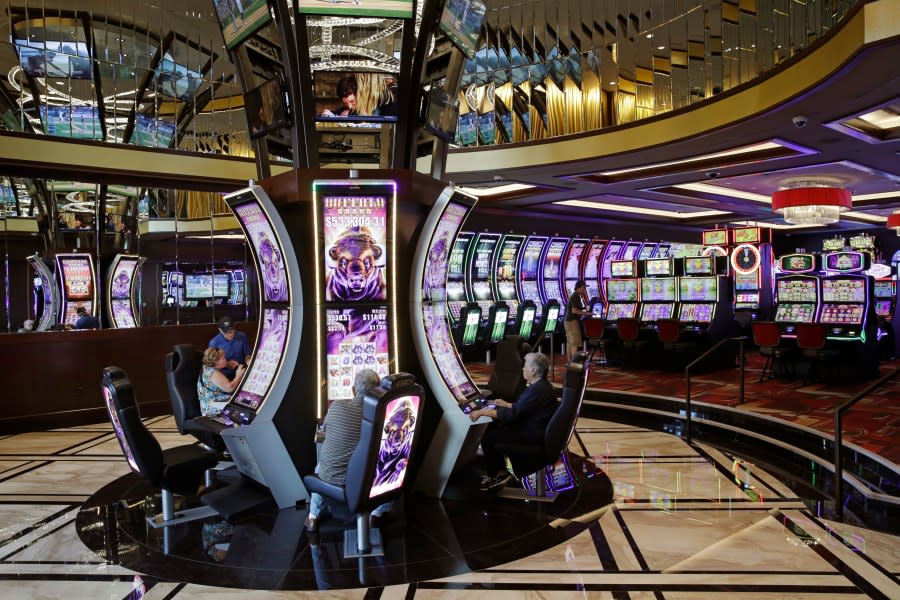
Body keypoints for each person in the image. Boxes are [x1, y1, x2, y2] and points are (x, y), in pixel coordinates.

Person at [305, 368, 381, 532]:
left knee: (320, 466)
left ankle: (313, 517)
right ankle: (375, 515)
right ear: (378, 392)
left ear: (353, 390)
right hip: (364, 481)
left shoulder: (336, 406)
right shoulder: (379, 416)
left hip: (331, 478)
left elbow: (324, 431)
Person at [469, 352, 557, 491]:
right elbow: (524, 408)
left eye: (525, 367)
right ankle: (500, 470)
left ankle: (497, 474)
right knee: (494, 427)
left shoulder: (537, 390)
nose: (522, 369)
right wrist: (507, 404)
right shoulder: (542, 386)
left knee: (488, 437)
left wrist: (483, 412)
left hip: (531, 434)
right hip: (536, 429)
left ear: (533, 371)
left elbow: (512, 415)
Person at [197, 347, 245, 416]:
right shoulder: (214, 373)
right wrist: (238, 375)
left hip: (210, 402)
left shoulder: (206, 367)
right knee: (242, 404)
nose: (225, 360)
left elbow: (217, 365)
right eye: (223, 358)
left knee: (239, 400)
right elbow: (230, 388)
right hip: (211, 408)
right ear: (215, 361)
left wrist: (226, 364)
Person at [564, 279, 589, 360]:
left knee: (570, 343)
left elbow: (576, 308)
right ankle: (573, 363)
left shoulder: (575, 295)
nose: (585, 289)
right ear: (579, 287)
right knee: (574, 343)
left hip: (568, 321)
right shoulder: (576, 296)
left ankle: (569, 362)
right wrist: (588, 313)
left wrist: (584, 308)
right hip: (572, 321)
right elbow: (574, 310)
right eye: (584, 287)